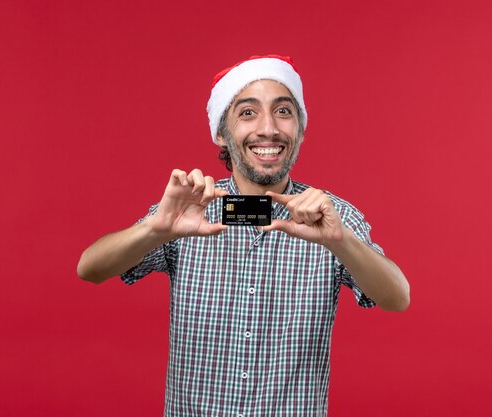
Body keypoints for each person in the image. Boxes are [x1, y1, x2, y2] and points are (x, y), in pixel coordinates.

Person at [77, 55, 410, 417]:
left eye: (283, 111)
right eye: (248, 113)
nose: (268, 129)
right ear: (222, 132)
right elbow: (89, 269)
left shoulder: (332, 218)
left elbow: (397, 298)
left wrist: (339, 241)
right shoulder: (188, 209)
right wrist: (153, 228)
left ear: (299, 130)